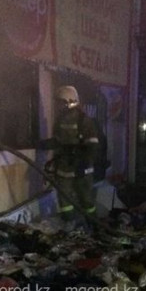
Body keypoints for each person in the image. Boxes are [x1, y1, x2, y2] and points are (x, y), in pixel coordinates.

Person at [49, 85, 100, 222]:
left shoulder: (84, 120)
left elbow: (93, 145)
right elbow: (58, 141)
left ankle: (94, 226)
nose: (58, 106)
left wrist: (84, 163)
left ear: (70, 101)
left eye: (61, 102)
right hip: (64, 168)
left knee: (86, 201)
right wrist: (44, 144)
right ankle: (70, 227)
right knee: (64, 202)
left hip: (82, 169)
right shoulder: (59, 120)